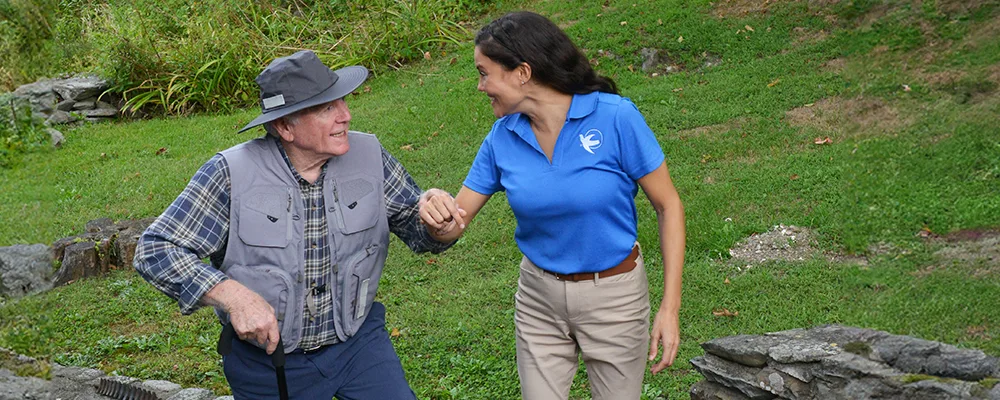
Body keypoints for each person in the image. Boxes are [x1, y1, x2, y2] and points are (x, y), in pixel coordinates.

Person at [134, 50, 459, 400]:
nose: (346, 116)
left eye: (342, 102)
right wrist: (235, 297)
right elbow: (155, 249)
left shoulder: (370, 155)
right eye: (326, 109)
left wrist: (438, 223)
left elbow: (419, 227)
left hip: (358, 346)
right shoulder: (231, 173)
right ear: (285, 126)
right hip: (268, 363)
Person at [419, 11, 685, 400]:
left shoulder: (615, 118)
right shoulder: (502, 137)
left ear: (522, 72)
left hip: (614, 297)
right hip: (538, 299)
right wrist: (435, 211)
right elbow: (454, 223)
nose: (480, 86)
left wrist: (670, 308)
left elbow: (669, 206)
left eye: (484, 72)